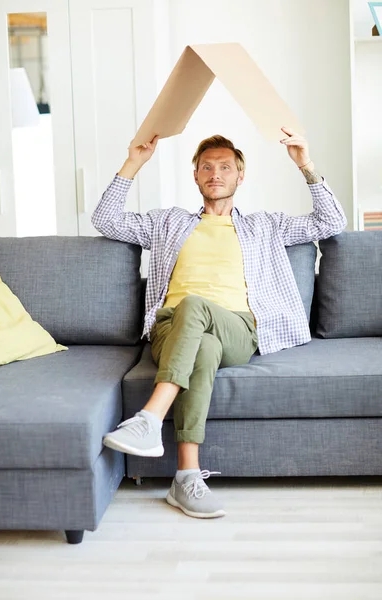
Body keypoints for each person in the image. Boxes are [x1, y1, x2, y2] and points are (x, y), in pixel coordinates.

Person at [91, 127, 347, 519]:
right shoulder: (167, 223)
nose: (215, 174)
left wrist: (304, 164)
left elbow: (331, 221)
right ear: (195, 176)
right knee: (202, 344)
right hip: (169, 329)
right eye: (206, 167)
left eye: (225, 167)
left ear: (240, 176)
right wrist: (134, 162)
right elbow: (105, 219)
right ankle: (186, 478)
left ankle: (149, 418)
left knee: (196, 306)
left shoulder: (266, 226)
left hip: (238, 328)